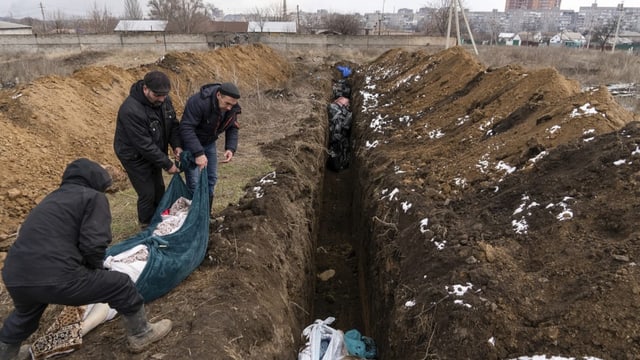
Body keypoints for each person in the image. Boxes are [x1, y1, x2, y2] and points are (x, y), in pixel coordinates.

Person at [0, 158, 172, 359]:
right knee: (120, 284)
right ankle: (141, 334)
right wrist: (96, 270)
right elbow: (94, 244)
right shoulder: (92, 197)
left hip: (15, 276)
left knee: (26, 314)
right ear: (94, 178)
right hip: (56, 276)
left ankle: (7, 354)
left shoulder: (52, 198)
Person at [114, 70, 182, 228]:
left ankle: (159, 220)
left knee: (159, 187)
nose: (162, 98)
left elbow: (172, 125)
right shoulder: (130, 110)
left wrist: (177, 146)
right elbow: (143, 144)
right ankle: (146, 225)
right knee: (147, 193)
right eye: (157, 95)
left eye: (164, 95)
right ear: (145, 89)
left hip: (154, 150)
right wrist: (167, 164)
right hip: (134, 155)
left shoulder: (164, 100)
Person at [179, 82, 241, 214]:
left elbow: (233, 127)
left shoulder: (232, 107)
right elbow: (186, 128)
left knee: (211, 179)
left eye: (233, 104)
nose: (230, 108)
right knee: (195, 183)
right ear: (219, 95)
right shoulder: (198, 102)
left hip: (209, 143)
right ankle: (194, 216)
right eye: (227, 104)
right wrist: (198, 153)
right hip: (191, 144)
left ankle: (206, 214)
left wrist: (230, 148)